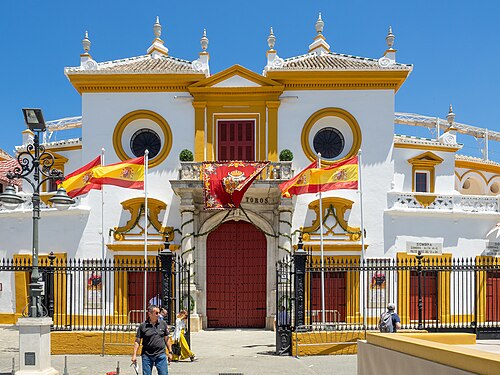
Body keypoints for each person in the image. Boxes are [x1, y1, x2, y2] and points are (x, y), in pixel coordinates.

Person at [132, 305, 173, 375]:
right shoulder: (143, 326)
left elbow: (167, 339)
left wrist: (170, 352)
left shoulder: (163, 324)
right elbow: (137, 341)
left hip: (160, 354)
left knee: (163, 373)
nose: (158, 315)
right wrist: (134, 355)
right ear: (150, 314)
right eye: (156, 313)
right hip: (147, 355)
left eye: (159, 313)